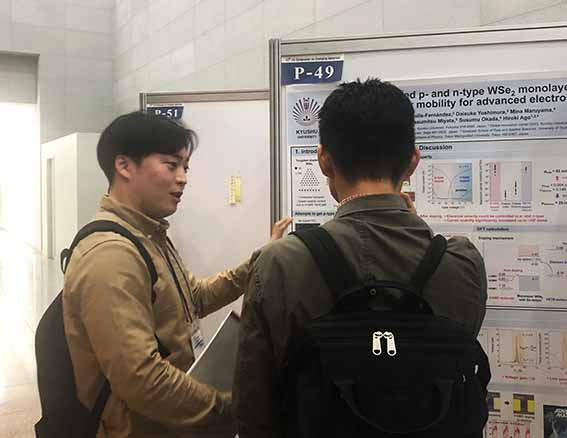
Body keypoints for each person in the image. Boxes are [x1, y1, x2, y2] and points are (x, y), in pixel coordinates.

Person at [233, 78, 488, 437]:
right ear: (413, 161)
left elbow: (254, 411)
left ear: (324, 160)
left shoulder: (280, 264)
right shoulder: (462, 263)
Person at [62, 111, 291, 438]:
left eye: (186, 167)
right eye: (171, 165)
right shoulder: (111, 254)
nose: (183, 178)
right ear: (124, 165)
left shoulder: (149, 235)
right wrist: (231, 407)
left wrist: (262, 260)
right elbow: (142, 379)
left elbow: (193, 298)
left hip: (174, 423)